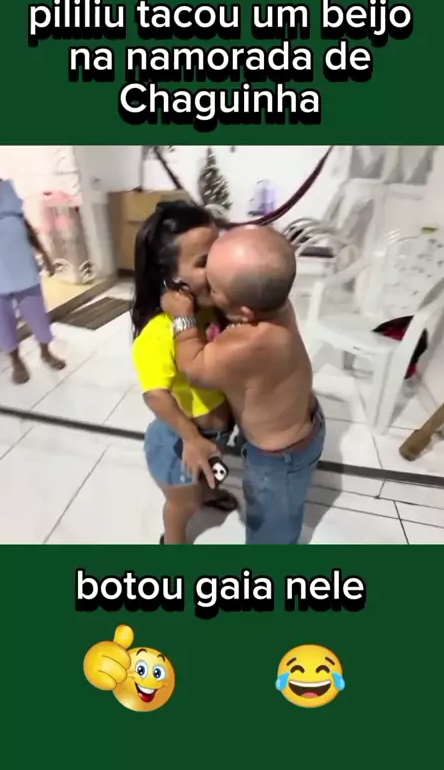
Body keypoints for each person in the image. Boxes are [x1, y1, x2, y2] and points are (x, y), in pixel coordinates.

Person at [162, 224, 325, 545]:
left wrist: (183, 317)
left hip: (279, 457)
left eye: (213, 287)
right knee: (280, 505)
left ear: (244, 311)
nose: (206, 287)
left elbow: (193, 367)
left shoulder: (247, 343)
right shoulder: (278, 306)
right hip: (302, 424)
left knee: (272, 523)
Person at [131, 200, 238, 545]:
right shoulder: (158, 334)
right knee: (183, 503)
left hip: (214, 432)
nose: (220, 268)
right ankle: (173, 541)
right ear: (171, 280)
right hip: (180, 439)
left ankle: (208, 493)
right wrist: (192, 438)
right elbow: (155, 395)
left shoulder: (207, 312)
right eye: (205, 262)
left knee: (207, 476)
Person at [0, 145, 66, 384]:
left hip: (22, 266)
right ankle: (16, 361)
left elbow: (24, 223)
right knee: (0, 321)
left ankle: (46, 352)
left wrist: (44, 254)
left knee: (37, 314)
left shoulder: (6, 187)